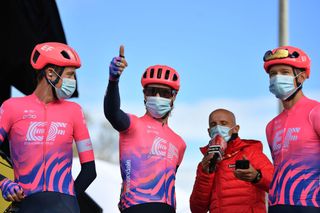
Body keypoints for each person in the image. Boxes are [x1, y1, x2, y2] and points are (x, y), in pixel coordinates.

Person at [0, 42, 96, 212]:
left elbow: (90, 170)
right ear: (50, 74)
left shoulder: (74, 111)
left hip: (65, 206)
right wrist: (3, 182)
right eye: (70, 75)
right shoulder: (11, 107)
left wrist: (68, 197)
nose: (73, 81)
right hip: (27, 205)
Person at [104, 45, 186, 213]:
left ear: (174, 96)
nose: (157, 97)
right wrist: (113, 80)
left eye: (163, 93)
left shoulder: (180, 143)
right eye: (151, 91)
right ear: (144, 94)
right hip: (136, 207)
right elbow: (112, 112)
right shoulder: (133, 124)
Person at [263, 46, 320, 212]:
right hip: (276, 205)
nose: (277, 77)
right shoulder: (271, 126)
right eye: (273, 74)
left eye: (284, 72)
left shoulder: (315, 112)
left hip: (310, 204)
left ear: (301, 77)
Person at [190, 108, 274, 213]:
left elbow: (276, 185)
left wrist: (256, 177)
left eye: (223, 123)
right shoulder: (205, 163)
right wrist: (205, 175)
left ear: (236, 129)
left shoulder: (251, 152)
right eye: (213, 124)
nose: (218, 128)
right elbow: (196, 209)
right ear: (209, 131)